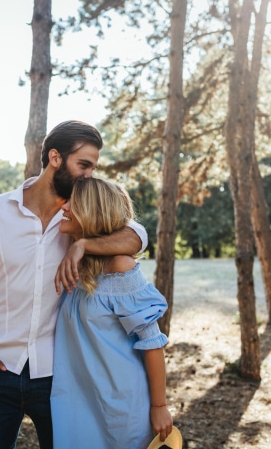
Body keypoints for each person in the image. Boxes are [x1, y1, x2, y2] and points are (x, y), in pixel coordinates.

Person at [0, 121, 147, 449]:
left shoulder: (78, 220)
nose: (89, 175)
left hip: (62, 376)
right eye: (83, 165)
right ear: (55, 157)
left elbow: (138, 235)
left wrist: (84, 245)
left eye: (93, 168)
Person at [51, 177, 173, 448]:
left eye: (75, 202)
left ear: (93, 211)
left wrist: (159, 405)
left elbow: (152, 342)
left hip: (121, 407)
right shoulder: (75, 263)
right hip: (76, 402)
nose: (65, 206)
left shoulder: (120, 265)